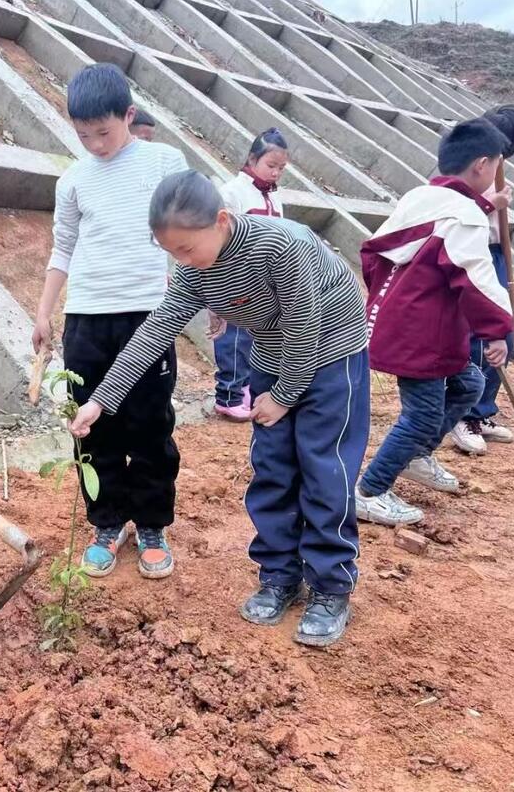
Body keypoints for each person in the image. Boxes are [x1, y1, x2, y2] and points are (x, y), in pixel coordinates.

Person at [69, 170, 371, 648]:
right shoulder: (195, 271)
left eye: (187, 248)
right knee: (273, 470)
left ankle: (331, 587)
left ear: (221, 221)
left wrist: (284, 396)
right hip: (274, 358)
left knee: (323, 469)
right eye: (171, 253)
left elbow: (306, 327)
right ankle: (280, 577)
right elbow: (156, 330)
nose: (181, 261)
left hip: (332, 356)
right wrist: (103, 400)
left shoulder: (280, 247)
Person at [32, 63, 187, 580]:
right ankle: (105, 522)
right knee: (92, 427)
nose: (95, 144)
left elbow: (189, 230)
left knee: (149, 424)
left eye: (105, 132)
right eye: (83, 135)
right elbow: (64, 249)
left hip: (149, 314)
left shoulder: (163, 163)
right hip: (86, 319)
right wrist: (44, 312)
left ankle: (150, 525)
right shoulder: (73, 180)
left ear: (129, 115)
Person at [355, 118, 513, 527]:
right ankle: (370, 491)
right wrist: (497, 330)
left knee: (469, 384)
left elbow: (372, 253)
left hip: (414, 323)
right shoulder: (463, 216)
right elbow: (474, 278)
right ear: (482, 165)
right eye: (496, 164)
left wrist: (388, 300)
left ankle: (417, 455)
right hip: (422, 332)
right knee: (422, 415)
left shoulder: (422, 198)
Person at [212, 129, 290, 422]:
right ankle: (228, 395)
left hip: (266, 281)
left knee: (259, 339)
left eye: (281, 168)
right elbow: (222, 236)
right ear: (252, 159)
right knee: (234, 338)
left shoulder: (274, 197)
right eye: (271, 165)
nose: (276, 173)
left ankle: (245, 387)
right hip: (237, 277)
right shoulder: (233, 192)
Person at [449, 176, 514, 455]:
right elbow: (454, 221)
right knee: (480, 341)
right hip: (475, 255)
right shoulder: (458, 178)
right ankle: (464, 416)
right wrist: (491, 204)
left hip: (496, 253)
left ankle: (481, 410)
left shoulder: (498, 173)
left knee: (504, 339)